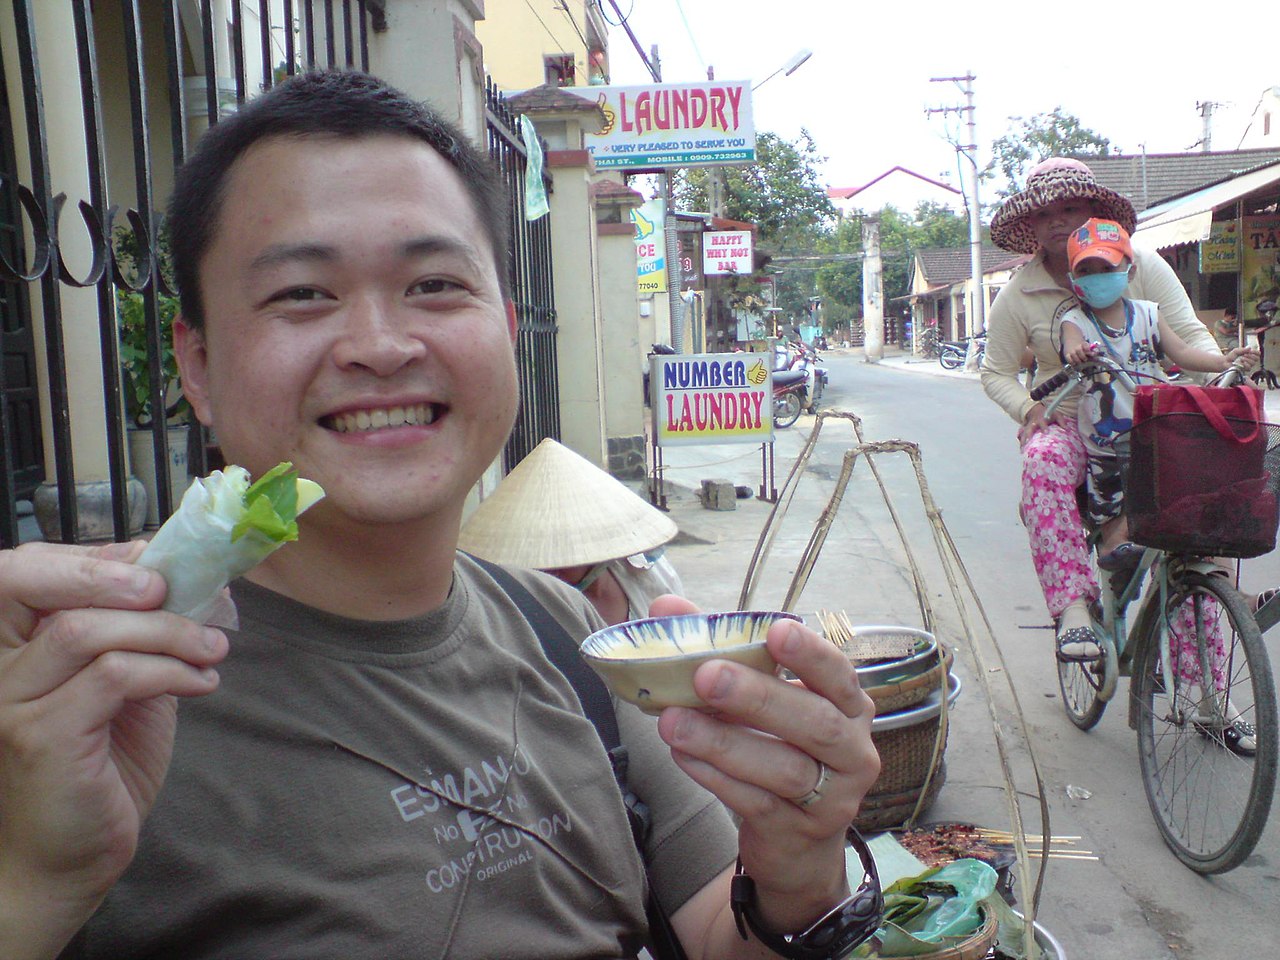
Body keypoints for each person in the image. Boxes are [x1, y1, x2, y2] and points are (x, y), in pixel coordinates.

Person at [0, 72, 881, 960]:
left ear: (503, 326)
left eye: (433, 285)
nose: (381, 346)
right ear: (196, 365)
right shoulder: (66, 711)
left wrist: (799, 874)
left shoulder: (564, 632)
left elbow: (719, 937)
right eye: (302, 293)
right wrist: (33, 886)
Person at [981, 157, 1227, 658]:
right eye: (1044, 213)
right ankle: (1072, 606)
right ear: (1029, 224)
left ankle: (1210, 703)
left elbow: (1188, 337)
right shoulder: (1018, 293)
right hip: (1071, 421)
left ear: (1095, 211)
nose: (1056, 221)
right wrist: (1028, 411)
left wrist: (1218, 385)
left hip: (1151, 414)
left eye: (1069, 208)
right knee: (1042, 458)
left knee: (1195, 537)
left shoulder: (1142, 266)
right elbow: (995, 372)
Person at [1056, 219, 1257, 657]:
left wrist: (1225, 358)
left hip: (1157, 434)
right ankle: (1114, 560)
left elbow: (1181, 352)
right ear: (1074, 281)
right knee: (1120, 534)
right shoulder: (1075, 321)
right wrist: (1077, 356)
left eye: (1105, 268)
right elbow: (1070, 343)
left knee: (1200, 510)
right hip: (1108, 448)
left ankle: (1236, 596)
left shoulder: (1148, 312)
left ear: (1128, 269)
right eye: (1085, 271)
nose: (1096, 278)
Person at [459, 437, 685, 626]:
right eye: (537, 551)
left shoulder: (645, 573)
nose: (548, 566)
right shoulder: (515, 604)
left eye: (558, 547)